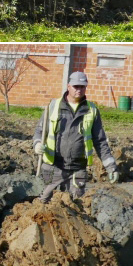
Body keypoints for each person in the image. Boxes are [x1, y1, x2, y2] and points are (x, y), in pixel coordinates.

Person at [33, 71, 119, 203]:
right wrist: (37, 144)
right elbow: (40, 131)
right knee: (43, 204)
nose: (79, 89)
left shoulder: (91, 110)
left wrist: (110, 166)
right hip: (53, 166)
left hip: (77, 169)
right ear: (68, 86)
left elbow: (100, 141)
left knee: (76, 207)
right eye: (76, 86)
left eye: (82, 86)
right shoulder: (53, 106)